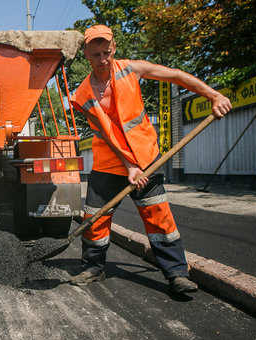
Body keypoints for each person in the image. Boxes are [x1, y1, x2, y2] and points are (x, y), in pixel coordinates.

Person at [69, 25, 232, 294]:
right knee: (95, 218)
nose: (103, 59)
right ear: (86, 54)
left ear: (114, 48)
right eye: (96, 54)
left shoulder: (131, 69)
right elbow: (108, 136)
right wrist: (129, 166)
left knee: (158, 216)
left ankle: (177, 274)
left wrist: (213, 95)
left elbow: (177, 75)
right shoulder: (83, 94)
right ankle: (93, 267)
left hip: (147, 158)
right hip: (109, 164)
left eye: (107, 52)